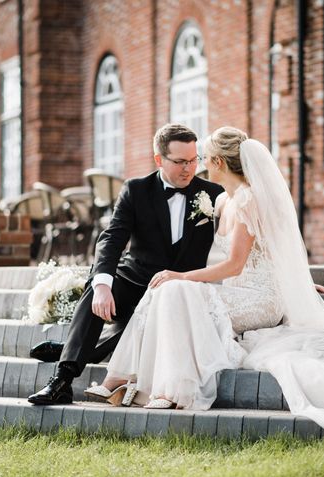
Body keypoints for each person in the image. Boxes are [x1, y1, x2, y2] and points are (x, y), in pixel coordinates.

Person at [90, 126, 324, 449]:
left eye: (205, 158)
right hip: (236, 290)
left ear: (219, 161)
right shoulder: (221, 201)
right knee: (165, 290)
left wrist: (182, 276)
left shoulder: (250, 199)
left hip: (259, 298)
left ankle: (165, 390)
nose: (199, 165)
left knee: (174, 288)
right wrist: (178, 277)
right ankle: (123, 380)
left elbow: (236, 264)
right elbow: (258, 255)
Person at [28, 123, 224, 405]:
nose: (188, 169)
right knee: (97, 287)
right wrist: (102, 285)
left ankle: (81, 350)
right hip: (136, 280)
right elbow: (111, 239)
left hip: (183, 288)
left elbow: (248, 245)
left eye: (194, 160)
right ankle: (62, 380)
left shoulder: (213, 194)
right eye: (180, 162)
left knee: (136, 324)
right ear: (159, 159)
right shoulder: (136, 190)